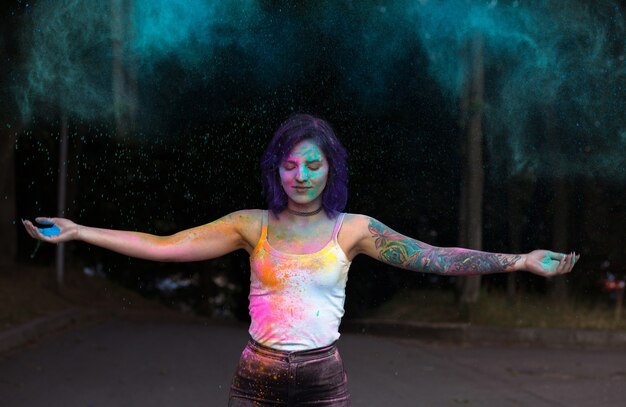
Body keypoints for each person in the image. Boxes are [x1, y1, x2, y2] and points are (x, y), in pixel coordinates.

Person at [22, 113, 578, 406]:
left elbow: (433, 257)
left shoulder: (355, 229)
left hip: (321, 381)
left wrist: (521, 261)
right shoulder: (250, 224)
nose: (302, 175)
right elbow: (165, 245)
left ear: (330, 169)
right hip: (256, 377)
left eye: (313, 165)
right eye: (290, 165)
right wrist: (79, 232)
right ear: (277, 170)